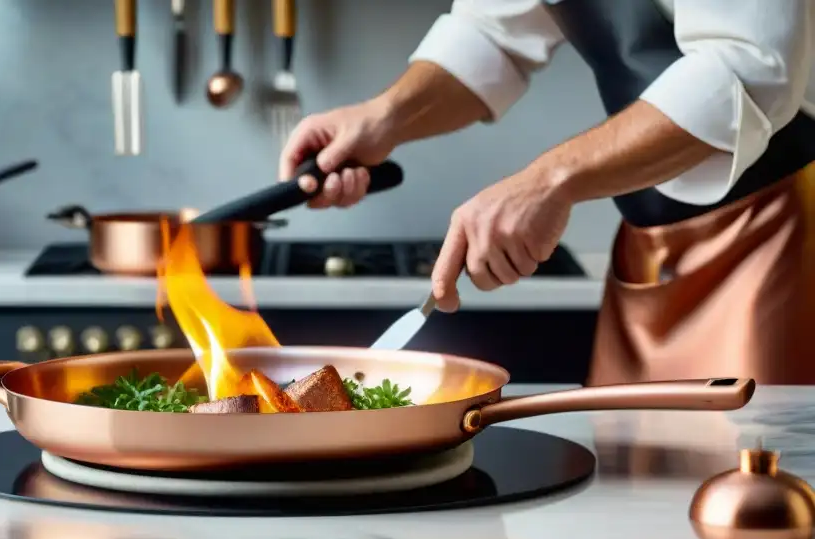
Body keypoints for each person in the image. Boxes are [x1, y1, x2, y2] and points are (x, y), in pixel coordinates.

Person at [279, 0, 815, 385]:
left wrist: (549, 181)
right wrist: (383, 118)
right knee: (629, 500)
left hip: (781, 243)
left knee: (759, 504)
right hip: (646, 254)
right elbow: (493, 34)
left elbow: (748, 68)